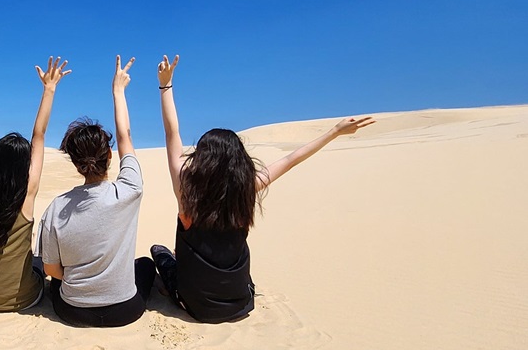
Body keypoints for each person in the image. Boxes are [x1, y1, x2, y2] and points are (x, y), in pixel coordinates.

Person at [151, 54, 375, 323]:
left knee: (159, 252)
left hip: (197, 307)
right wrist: (334, 132)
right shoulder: (246, 189)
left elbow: (171, 133)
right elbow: (291, 159)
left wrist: (166, 87)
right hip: (242, 303)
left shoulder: (186, 193)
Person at [38, 56, 156, 327]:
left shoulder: (57, 207)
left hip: (73, 312)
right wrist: (118, 91)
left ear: (76, 164)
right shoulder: (129, 189)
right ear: (110, 156)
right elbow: (126, 138)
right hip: (125, 311)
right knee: (147, 266)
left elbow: (52, 270)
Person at [0, 56, 72, 312]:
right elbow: (39, 135)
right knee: (37, 262)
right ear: (22, 169)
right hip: (22, 299)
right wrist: (49, 90)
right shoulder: (26, 195)